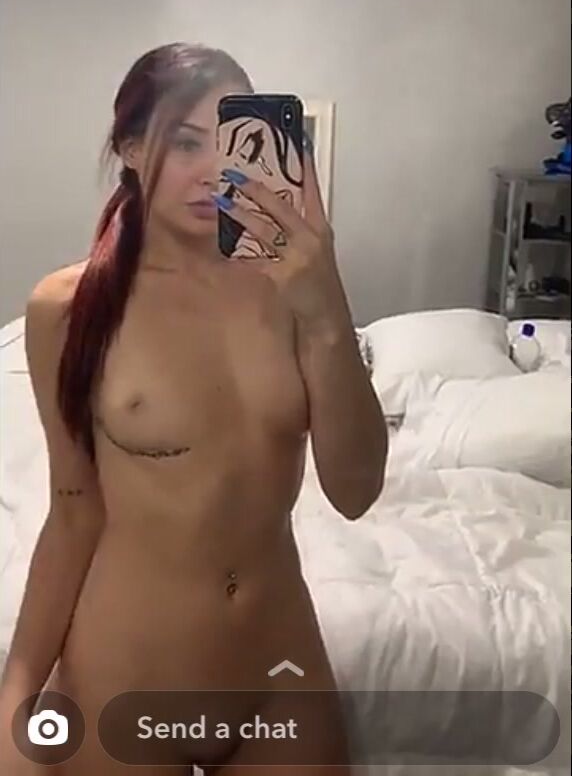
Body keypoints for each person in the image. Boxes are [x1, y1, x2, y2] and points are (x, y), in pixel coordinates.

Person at [0, 42, 387, 775]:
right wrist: (16, 692)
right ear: (130, 147)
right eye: (185, 143)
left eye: (233, 141)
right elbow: (73, 510)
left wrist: (328, 310)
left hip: (276, 674)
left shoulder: (290, 290)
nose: (214, 169)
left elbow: (356, 491)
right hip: (127, 675)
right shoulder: (69, 308)